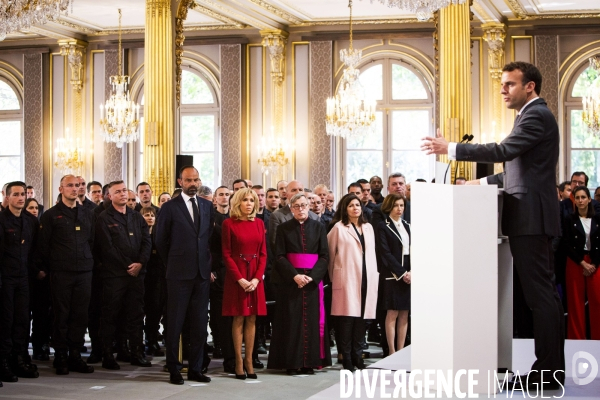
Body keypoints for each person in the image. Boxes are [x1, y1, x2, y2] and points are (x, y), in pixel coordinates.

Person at [422, 61, 564, 390]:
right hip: (528, 216)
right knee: (540, 297)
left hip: (531, 218)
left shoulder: (536, 114)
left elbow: (503, 151)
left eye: (509, 84)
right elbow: (513, 170)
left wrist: (452, 149)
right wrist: (478, 185)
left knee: (540, 297)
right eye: (502, 84)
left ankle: (548, 374)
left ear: (529, 86)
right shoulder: (528, 116)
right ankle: (549, 370)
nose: (503, 89)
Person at [155, 166, 215, 385]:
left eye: (196, 180)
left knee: (200, 323)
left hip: (201, 274)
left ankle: (196, 368)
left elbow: (208, 238)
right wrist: (173, 263)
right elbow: (161, 241)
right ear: (180, 182)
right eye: (189, 180)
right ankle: (174, 368)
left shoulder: (208, 207)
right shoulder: (169, 208)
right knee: (175, 323)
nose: (193, 184)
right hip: (178, 274)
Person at [268, 193, 331, 374]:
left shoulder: (319, 227)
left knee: (311, 322)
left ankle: (308, 362)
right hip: (291, 282)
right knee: (291, 322)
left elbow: (325, 255)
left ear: (309, 206)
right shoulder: (284, 228)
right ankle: (292, 363)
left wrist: (313, 276)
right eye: (297, 206)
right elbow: (279, 255)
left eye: (304, 205)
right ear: (291, 208)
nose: (301, 209)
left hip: (312, 282)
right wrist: (294, 276)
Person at [39, 175, 95, 375]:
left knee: (80, 315)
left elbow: (93, 241)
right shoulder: (51, 215)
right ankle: (60, 355)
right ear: (61, 189)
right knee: (61, 314)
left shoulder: (89, 213)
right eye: (70, 185)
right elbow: (44, 245)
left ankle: (75, 355)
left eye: (78, 185)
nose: (75, 188)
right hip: (61, 272)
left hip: (84, 271)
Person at [95, 180, 152, 370]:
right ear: (109, 196)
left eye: (124, 190)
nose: (123, 194)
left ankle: (136, 353)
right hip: (115, 275)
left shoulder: (136, 217)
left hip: (136, 276)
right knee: (111, 316)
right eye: (117, 191)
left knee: (136, 315)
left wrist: (140, 263)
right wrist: (128, 265)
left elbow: (147, 242)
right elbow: (107, 247)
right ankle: (108, 355)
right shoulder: (104, 218)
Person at [327, 194, 378, 371]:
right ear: (344, 208)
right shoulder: (338, 228)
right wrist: (335, 278)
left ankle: (358, 356)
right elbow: (330, 257)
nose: (355, 208)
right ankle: (346, 357)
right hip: (347, 278)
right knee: (347, 320)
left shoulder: (369, 227)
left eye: (357, 205)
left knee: (362, 321)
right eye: (351, 205)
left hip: (367, 278)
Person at [221, 188, 267, 379]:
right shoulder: (228, 223)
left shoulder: (259, 223)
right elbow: (226, 254)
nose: (249, 203)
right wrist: (240, 279)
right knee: (238, 318)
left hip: (255, 277)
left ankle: (249, 361)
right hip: (237, 277)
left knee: (252, 318)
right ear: (238, 202)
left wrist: (256, 279)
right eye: (245, 200)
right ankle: (238, 362)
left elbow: (264, 254)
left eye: (252, 200)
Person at [0, 182, 40, 382]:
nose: (21, 198)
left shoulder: (30, 221)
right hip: (6, 278)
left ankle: (19, 359)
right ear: (7, 197)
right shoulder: (1, 220)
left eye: (23, 194)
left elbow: (34, 251)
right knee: (6, 321)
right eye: (16, 194)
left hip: (24, 278)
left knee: (23, 321)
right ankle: (4, 363)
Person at [562, 186, 600, 339]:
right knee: (575, 302)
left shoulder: (598, 219)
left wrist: (593, 264)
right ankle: (576, 340)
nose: (580, 200)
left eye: (583, 197)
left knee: (597, 300)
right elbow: (566, 244)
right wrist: (582, 263)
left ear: (589, 199)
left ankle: (598, 339)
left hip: (595, 262)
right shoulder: (569, 220)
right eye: (577, 198)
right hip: (575, 262)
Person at [376, 193, 411, 354]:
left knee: (404, 314)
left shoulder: (408, 226)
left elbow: (413, 251)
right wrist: (402, 273)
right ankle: (391, 351)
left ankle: (401, 350)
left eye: (402, 205)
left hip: (409, 276)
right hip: (392, 275)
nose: (399, 209)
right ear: (389, 206)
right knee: (392, 313)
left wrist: (411, 272)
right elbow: (385, 253)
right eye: (396, 205)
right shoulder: (383, 226)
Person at [141, 207, 166, 357]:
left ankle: (152, 341)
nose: (150, 218)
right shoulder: (139, 235)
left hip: (157, 278)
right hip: (142, 277)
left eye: (152, 215)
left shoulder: (158, 235)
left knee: (155, 311)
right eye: (146, 215)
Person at [268, 180, 318, 248]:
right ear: (286, 194)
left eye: (300, 190)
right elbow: (275, 243)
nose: (298, 192)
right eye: (294, 190)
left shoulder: (315, 217)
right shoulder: (277, 216)